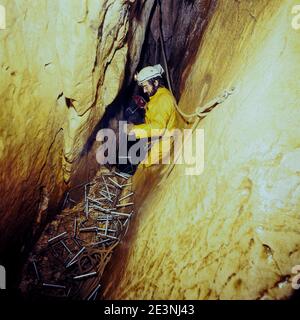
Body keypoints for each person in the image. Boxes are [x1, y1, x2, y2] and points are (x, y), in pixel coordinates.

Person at [126, 64, 178, 168]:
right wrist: (145, 106)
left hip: (163, 146)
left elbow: (158, 128)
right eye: (143, 87)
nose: (144, 91)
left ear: (155, 82)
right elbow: (155, 117)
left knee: (143, 170)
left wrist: (134, 130)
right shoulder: (156, 97)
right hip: (157, 143)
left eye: (146, 87)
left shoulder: (163, 99)